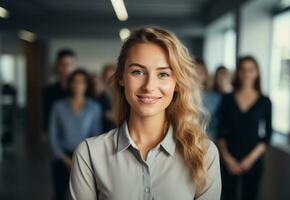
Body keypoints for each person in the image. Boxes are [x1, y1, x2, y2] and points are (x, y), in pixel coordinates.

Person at [69, 27, 221, 200]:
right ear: (121, 78)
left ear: (176, 83)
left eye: (163, 74)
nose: (149, 86)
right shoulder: (90, 154)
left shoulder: (205, 153)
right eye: (138, 72)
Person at [217, 56, 272, 200]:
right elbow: (220, 132)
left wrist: (250, 160)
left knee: (251, 196)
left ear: (257, 73)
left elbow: (267, 135)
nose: (247, 73)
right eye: (243, 69)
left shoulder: (265, 102)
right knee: (228, 196)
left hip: (253, 159)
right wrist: (227, 159)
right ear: (238, 73)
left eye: (251, 69)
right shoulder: (227, 99)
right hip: (228, 158)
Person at [49, 69, 102, 200]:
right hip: (61, 158)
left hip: (85, 158)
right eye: (75, 81)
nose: (78, 85)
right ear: (70, 84)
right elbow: (52, 135)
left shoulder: (94, 108)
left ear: (87, 85)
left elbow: (96, 136)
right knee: (59, 194)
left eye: (82, 82)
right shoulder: (58, 106)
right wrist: (64, 159)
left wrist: (82, 159)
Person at [43, 49, 76, 131]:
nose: (67, 68)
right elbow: (47, 117)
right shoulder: (49, 91)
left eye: (70, 64)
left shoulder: (83, 90)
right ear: (58, 66)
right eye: (63, 64)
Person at [195, 58, 221, 140]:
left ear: (206, 75)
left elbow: (217, 126)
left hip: (207, 142)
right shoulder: (178, 97)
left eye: (201, 72)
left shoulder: (215, 98)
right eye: (194, 71)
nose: (197, 74)